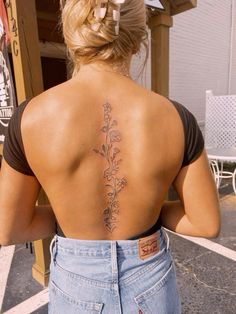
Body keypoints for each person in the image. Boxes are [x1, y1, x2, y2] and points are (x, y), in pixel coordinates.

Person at [0, 0, 220, 313]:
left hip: (75, 281)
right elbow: (205, 223)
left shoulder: (30, 118)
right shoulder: (176, 118)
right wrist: (152, 208)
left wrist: (69, 215)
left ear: (72, 33)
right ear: (139, 37)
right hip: (150, 278)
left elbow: (10, 228)